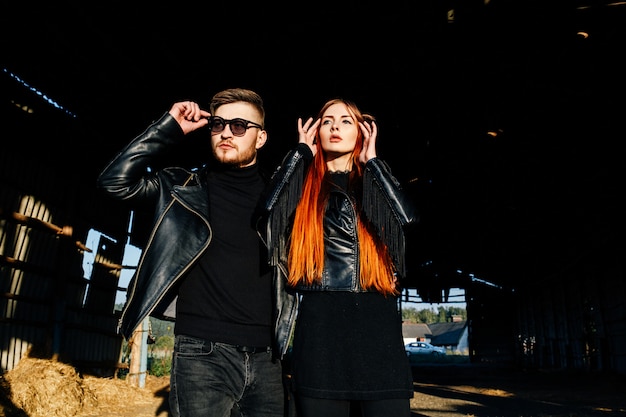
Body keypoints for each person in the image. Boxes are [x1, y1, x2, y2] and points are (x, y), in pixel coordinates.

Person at [97, 88, 297, 417]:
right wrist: (169, 127)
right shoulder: (180, 188)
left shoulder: (280, 201)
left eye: (238, 126)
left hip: (267, 358)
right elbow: (114, 182)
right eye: (218, 124)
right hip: (201, 353)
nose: (225, 133)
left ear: (260, 139)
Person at [258, 98, 418, 417]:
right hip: (320, 337)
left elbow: (407, 225)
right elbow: (266, 218)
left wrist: (373, 162)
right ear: (316, 131)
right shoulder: (301, 185)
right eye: (327, 120)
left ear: (361, 131)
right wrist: (300, 154)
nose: (335, 127)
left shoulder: (375, 181)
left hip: (378, 336)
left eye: (346, 121)